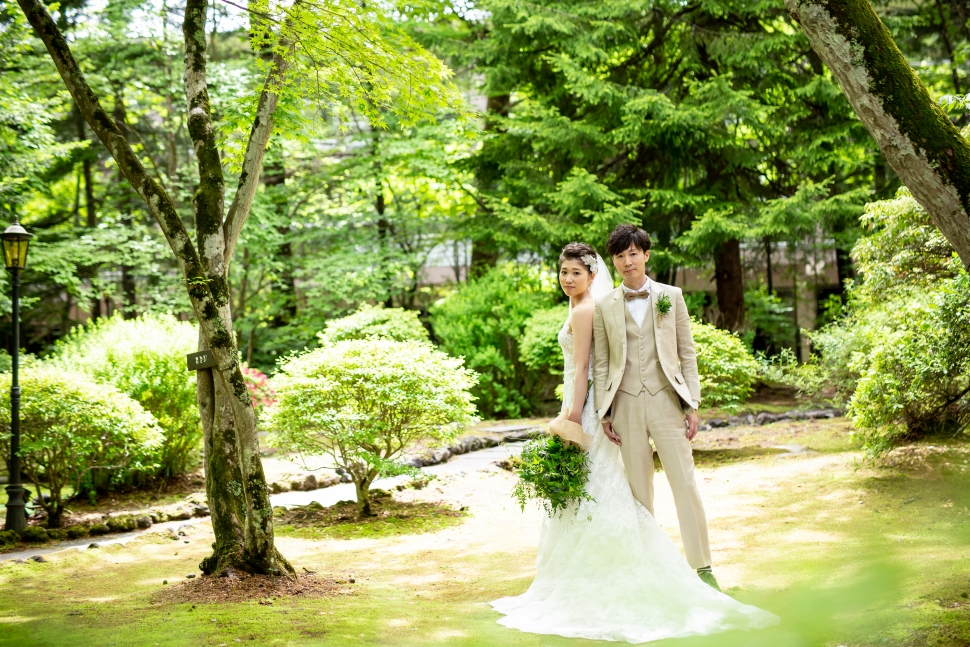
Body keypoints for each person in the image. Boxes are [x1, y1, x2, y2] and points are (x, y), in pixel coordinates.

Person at [490, 238, 777, 643]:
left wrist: (691, 404)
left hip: (667, 405)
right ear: (612, 261)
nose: (627, 261)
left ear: (645, 255)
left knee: (685, 484)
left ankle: (703, 568)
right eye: (620, 255)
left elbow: (687, 353)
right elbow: (600, 362)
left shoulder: (671, 296)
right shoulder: (604, 304)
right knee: (638, 496)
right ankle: (651, 568)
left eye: (633, 253)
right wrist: (605, 413)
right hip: (623, 407)